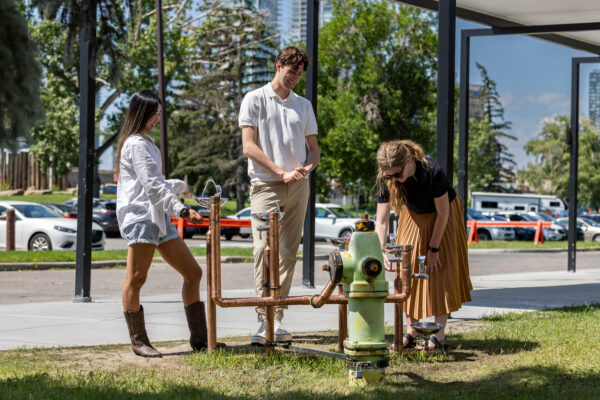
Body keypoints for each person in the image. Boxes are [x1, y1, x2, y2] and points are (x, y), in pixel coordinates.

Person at [115, 90, 207, 357]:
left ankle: (201, 340)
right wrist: (182, 209)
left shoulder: (149, 144)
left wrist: (180, 186)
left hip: (159, 218)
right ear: (141, 113)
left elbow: (156, 183)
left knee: (193, 273)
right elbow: (152, 188)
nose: (157, 118)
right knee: (137, 278)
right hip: (142, 216)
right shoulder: (136, 144)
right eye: (154, 114)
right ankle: (138, 341)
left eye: (158, 114)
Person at [239, 46, 320, 345]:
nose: (296, 77)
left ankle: (277, 317)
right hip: (265, 184)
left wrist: (306, 168)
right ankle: (263, 319)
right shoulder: (255, 99)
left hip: (298, 185)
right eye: (291, 71)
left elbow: (314, 149)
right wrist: (279, 171)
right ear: (278, 66)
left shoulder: (303, 105)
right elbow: (249, 146)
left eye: (300, 74)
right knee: (264, 250)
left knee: (287, 252)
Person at [374, 140, 472, 350]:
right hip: (413, 214)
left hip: (444, 215)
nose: (394, 180)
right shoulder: (387, 177)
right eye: (389, 176)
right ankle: (412, 331)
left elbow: (443, 212)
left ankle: (439, 335)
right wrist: (381, 249)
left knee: (440, 269)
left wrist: (433, 248)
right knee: (406, 269)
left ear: (408, 162)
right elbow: (381, 220)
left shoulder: (432, 171)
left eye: (397, 175)